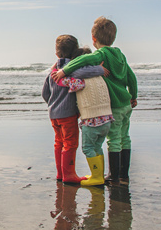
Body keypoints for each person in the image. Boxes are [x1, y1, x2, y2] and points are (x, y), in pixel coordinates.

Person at [52, 17, 138, 185]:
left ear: (94, 39)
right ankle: (124, 176)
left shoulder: (101, 53)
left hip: (115, 106)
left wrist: (64, 71)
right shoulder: (120, 54)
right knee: (125, 137)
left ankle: (114, 176)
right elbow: (131, 77)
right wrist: (133, 95)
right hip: (127, 104)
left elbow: (83, 60)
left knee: (114, 140)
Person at [42, 35, 106, 184]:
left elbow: (45, 93)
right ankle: (69, 174)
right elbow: (85, 74)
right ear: (76, 51)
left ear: (57, 53)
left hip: (53, 113)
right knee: (70, 143)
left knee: (59, 142)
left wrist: (52, 104)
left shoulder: (52, 71)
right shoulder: (73, 68)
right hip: (68, 113)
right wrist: (100, 69)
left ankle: (60, 173)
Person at [60, 52, 114, 187]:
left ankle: (96, 177)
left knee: (88, 147)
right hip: (107, 118)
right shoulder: (100, 76)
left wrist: (59, 72)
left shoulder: (79, 80)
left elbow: (63, 80)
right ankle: (99, 175)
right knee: (97, 146)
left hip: (92, 119)